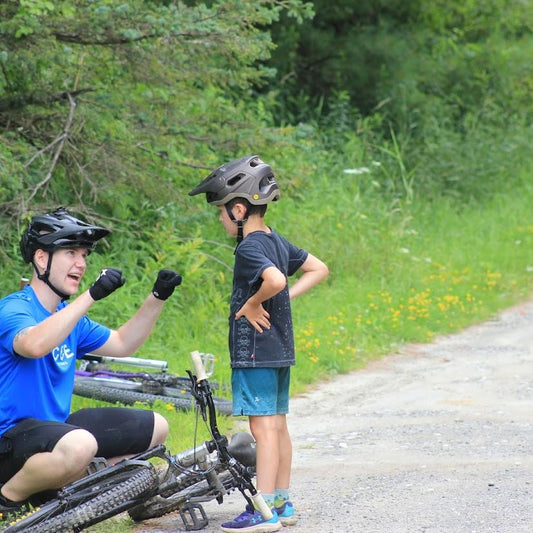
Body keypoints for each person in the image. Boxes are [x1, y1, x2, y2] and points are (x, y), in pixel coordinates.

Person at [0, 207, 182, 520]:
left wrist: (157, 297)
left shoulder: (71, 319)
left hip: (56, 436)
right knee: (81, 444)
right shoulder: (14, 308)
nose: (81, 264)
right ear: (42, 259)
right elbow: (32, 344)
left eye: (83, 255)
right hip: (10, 445)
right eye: (71, 253)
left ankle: (70, 486)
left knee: (156, 427)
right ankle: (7, 499)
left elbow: (123, 343)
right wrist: (91, 295)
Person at [189, 155, 329, 532]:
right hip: (280, 350)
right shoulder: (276, 241)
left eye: (221, 210)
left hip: (255, 354)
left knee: (262, 429)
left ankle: (263, 509)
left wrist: (254, 302)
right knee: (278, 427)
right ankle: (282, 503)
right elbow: (319, 268)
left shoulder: (249, 247)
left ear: (238, 209)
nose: (220, 218)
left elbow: (276, 282)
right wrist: (285, 299)